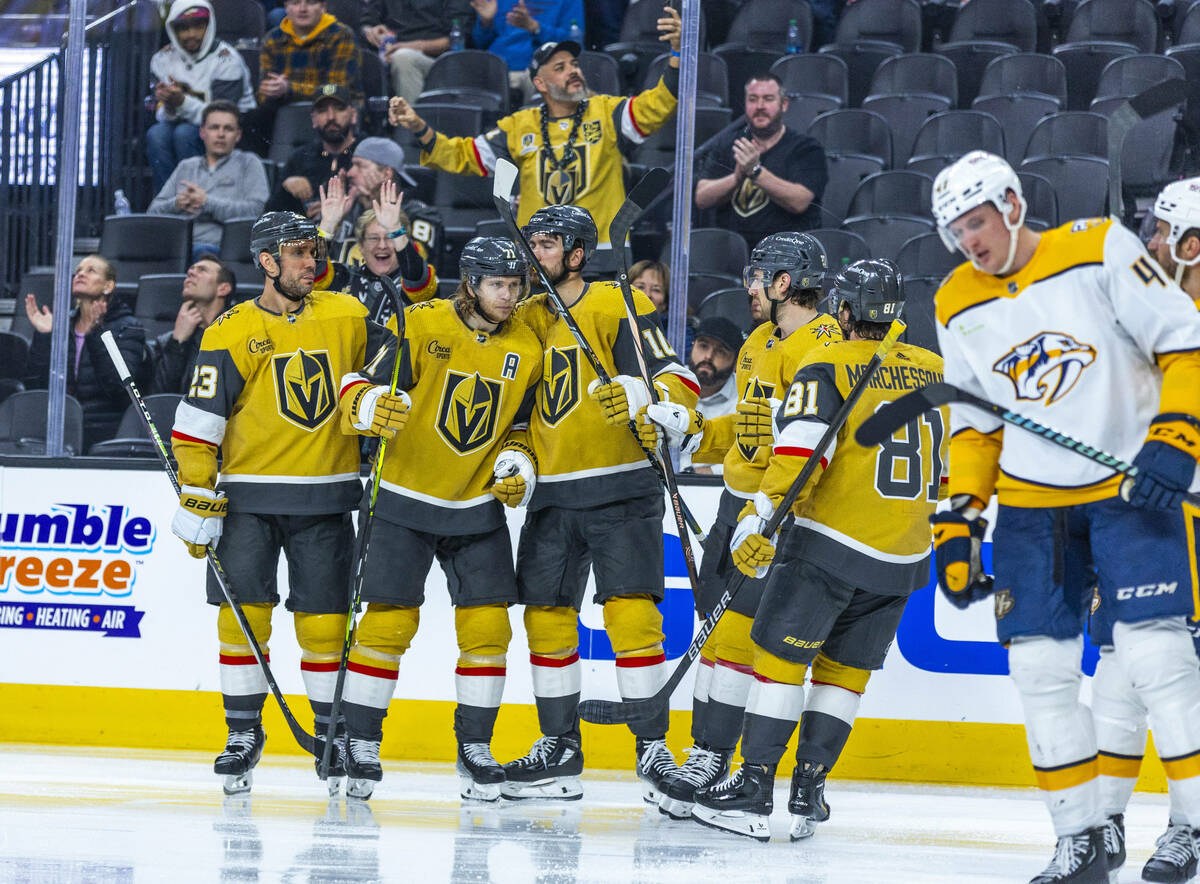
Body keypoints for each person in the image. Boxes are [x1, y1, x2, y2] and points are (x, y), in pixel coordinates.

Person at [927, 150, 1200, 884]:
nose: (971, 242)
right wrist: (959, 517)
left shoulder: (1098, 246)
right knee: (1039, 671)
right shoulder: (954, 299)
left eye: (978, 222)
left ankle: (1196, 825)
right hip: (1029, 505)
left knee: (1154, 658)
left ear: (1013, 205)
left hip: (1127, 489)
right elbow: (974, 423)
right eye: (957, 231)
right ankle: (1079, 841)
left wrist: (1177, 435)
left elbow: (1183, 342)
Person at [688, 259, 946, 842]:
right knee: (844, 675)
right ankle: (809, 791)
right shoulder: (931, 368)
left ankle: (752, 787)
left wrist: (760, 518)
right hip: (905, 555)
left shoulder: (827, 362)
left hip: (829, 543)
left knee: (780, 664)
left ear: (846, 312)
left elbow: (801, 452)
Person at [168, 211, 403, 795]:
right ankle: (243, 732)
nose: (311, 262)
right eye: (298, 253)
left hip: (326, 498)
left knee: (324, 628)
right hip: (246, 501)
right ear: (268, 262)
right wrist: (198, 493)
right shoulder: (227, 329)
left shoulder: (346, 313)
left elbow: (395, 354)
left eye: (314, 250)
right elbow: (198, 424)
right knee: (243, 623)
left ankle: (331, 734)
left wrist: (368, 394)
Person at [332, 236, 543, 800]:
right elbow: (356, 384)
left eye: (516, 286)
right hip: (403, 497)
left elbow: (524, 425)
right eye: (498, 285)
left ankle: (475, 745)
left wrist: (516, 460)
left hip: (476, 506)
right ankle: (361, 740)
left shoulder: (528, 341)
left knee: (489, 631)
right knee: (387, 626)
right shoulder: (420, 323)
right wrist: (373, 406)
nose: (509, 296)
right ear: (470, 283)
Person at [501, 204, 699, 802]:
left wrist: (647, 399)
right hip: (553, 497)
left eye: (546, 245)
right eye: (530, 243)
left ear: (578, 253)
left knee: (632, 618)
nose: (534, 255)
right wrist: (517, 460)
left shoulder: (621, 303)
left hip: (621, 486)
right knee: (546, 619)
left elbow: (677, 378)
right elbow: (513, 412)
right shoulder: (524, 317)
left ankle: (653, 749)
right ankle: (559, 747)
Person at [645, 233, 843, 820]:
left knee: (732, 641)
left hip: (776, 515)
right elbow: (749, 424)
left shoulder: (825, 349)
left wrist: (767, 504)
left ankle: (714, 759)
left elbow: (816, 440)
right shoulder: (758, 340)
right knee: (714, 637)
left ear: (785, 284)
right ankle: (707, 757)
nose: (749, 286)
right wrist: (695, 429)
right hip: (733, 505)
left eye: (759, 277)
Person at [1089, 176, 1200, 884]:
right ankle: (1102, 828)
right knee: (1117, 680)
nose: (1150, 244)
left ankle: (1190, 828)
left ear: (1192, 245)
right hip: (1140, 531)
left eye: (1160, 233)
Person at [388, 9, 682, 271]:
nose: (574, 71)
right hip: (539, 261)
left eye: (574, 64)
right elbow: (463, 155)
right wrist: (418, 126)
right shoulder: (519, 126)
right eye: (560, 68)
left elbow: (656, 106)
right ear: (539, 83)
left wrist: (678, 56)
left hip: (601, 256)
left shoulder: (607, 112)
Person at [23, 255, 146, 452]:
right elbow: (34, 385)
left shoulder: (128, 327)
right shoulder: (63, 325)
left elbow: (120, 388)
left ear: (108, 286)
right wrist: (45, 336)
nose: (80, 274)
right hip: (60, 427)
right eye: (78, 270)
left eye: (91, 270)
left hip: (105, 431)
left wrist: (95, 332)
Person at [695, 72, 829, 247]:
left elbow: (800, 201)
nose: (760, 106)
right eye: (752, 99)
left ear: (784, 104)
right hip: (731, 254)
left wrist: (755, 172)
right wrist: (736, 178)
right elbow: (701, 198)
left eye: (768, 99)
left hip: (785, 254)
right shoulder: (727, 144)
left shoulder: (806, 148)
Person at [148, 0, 256, 191]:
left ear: (210, 24)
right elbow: (159, 114)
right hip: (184, 123)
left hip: (235, 128)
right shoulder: (162, 59)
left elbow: (222, 118)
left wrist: (181, 102)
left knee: (186, 134)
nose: (191, 34)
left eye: (198, 26)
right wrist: (170, 105)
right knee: (156, 134)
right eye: (183, 28)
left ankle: (194, 201)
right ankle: (167, 204)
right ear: (172, 30)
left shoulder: (227, 60)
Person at [147, 100, 269, 259]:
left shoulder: (249, 163)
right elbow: (153, 212)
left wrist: (206, 202)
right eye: (214, 127)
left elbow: (256, 212)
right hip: (178, 248)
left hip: (222, 249)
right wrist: (176, 204)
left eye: (228, 129)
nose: (221, 134)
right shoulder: (186, 166)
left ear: (238, 135)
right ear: (202, 133)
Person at [242, 0, 361, 156]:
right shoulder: (272, 39)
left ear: (323, 7)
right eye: (295, 3)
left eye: (310, 3)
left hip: (336, 107)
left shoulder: (342, 35)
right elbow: (265, 93)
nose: (302, 9)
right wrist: (269, 90)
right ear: (286, 7)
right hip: (282, 106)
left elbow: (335, 91)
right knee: (249, 120)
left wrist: (288, 89)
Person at [313, 178, 438, 324]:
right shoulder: (344, 277)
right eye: (373, 238)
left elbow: (417, 280)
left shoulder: (413, 279)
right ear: (360, 245)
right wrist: (328, 224)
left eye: (390, 237)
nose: (382, 245)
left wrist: (395, 229)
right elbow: (312, 271)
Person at [317, 138, 434, 265]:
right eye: (352, 165)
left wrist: (395, 229)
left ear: (386, 173)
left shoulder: (419, 215)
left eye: (360, 166)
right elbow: (310, 268)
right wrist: (330, 224)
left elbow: (419, 270)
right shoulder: (344, 211)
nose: (350, 173)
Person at [263, 83, 360, 218]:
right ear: (313, 119)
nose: (331, 116)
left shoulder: (368, 153)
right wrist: (286, 187)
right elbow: (270, 216)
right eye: (322, 110)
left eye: (339, 109)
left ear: (353, 115)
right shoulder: (299, 158)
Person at [470, 0, 586, 104]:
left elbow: (573, 42)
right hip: (500, 66)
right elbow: (480, 43)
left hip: (541, 65)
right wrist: (486, 22)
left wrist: (535, 28)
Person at [360, 0, 475, 104]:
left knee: (404, 58)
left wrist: (415, 47)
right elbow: (367, 20)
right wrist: (371, 30)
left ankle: (414, 125)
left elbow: (457, 36)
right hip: (388, 55)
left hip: (438, 62)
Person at [151, 256, 236, 395]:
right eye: (190, 270)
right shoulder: (167, 341)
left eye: (202, 270)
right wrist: (177, 342)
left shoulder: (238, 336)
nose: (190, 273)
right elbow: (161, 396)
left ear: (223, 288)